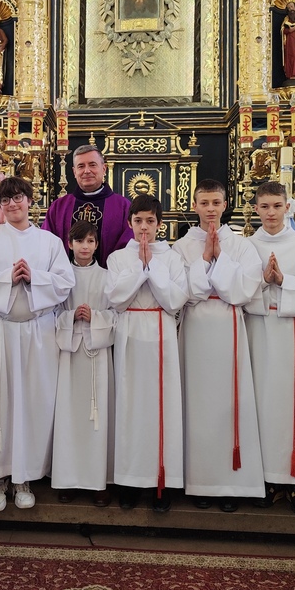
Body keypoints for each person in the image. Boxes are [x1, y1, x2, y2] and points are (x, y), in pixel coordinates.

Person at [0, 176, 74, 512]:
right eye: (6, 200)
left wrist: (34, 277)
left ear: (30, 200)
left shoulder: (49, 242)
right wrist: (7, 278)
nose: (12, 204)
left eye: (18, 198)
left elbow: (65, 282)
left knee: (32, 404)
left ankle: (23, 478)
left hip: (36, 334)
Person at [172, 180, 265, 512]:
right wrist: (204, 259)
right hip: (195, 327)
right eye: (204, 203)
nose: (210, 209)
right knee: (197, 403)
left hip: (228, 324)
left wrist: (218, 259)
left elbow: (243, 291)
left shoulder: (242, 245)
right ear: (194, 206)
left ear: (226, 205)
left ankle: (231, 483)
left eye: (215, 202)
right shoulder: (181, 247)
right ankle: (200, 480)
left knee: (229, 403)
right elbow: (183, 292)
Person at [244, 181, 295, 515]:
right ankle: (266, 478)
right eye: (264, 207)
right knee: (261, 401)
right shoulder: (246, 246)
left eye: (277, 206)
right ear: (255, 209)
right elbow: (238, 289)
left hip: (292, 328)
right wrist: (263, 281)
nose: (271, 213)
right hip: (257, 327)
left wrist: (282, 280)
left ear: (288, 207)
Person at [106, 194, 188, 512]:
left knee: (161, 408)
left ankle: (161, 481)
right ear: (130, 223)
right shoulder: (117, 258)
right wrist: (140, 269)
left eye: (150, 221)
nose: (144, 227)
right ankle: (129, 481)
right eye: (138, 221)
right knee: (130, 407)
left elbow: (175, 300)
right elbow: (117, 299)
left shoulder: (172, 258)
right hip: (129, 331)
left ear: (159, 224)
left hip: (160, 331)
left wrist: (151, 266)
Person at [51, 220, 116, 507]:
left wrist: (96, 318)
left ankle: (98, 481)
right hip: (69, 353)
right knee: (69, 416)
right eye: (79, 241)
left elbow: (117, 313)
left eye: (90, 241)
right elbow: (51, 312)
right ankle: (67, 479)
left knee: (97, 416)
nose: (85, 247)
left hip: (97, 353)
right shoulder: (61, 277)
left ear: (97, 245)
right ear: (70, 244)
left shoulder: (107, 277)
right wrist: (70, 317)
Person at [42, 144, 133, 268]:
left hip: (110, 278)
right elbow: (46, 245)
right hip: (64, 278)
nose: (87, 171)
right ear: (74, 172)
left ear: (104, 169)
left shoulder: (123, 207)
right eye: (81, 166)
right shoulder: (59, 207)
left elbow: (128, 248)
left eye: (92, 165)